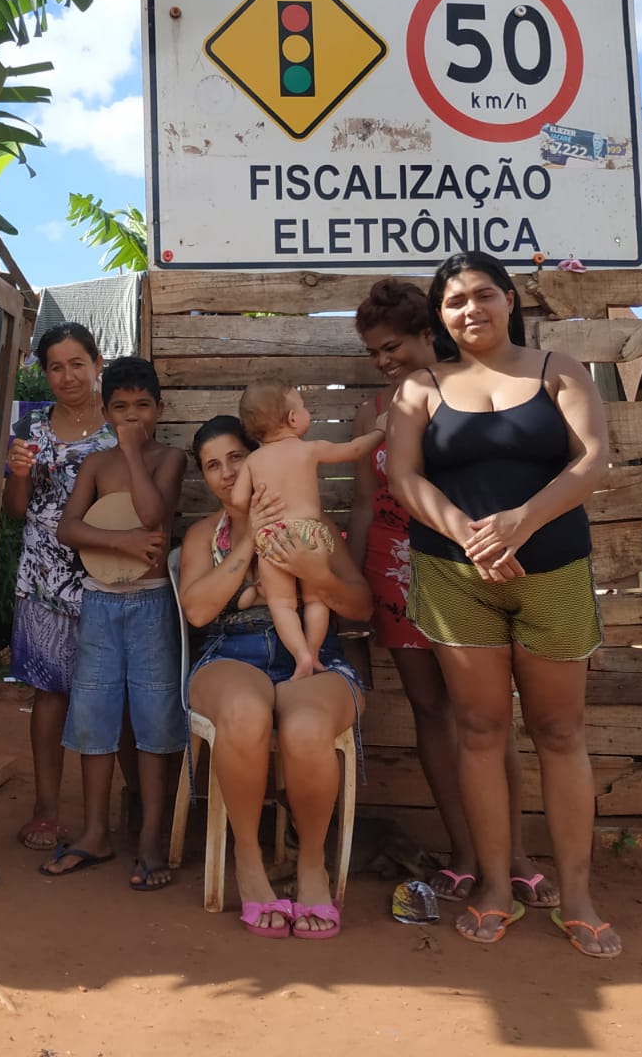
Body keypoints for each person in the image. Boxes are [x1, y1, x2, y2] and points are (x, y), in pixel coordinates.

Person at [386, 250, 620, 957]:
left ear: (511, 299)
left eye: (483, 295)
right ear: (442, 316)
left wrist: (521, 520)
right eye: (455, 302)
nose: (470, 310)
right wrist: (467, 533)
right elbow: (404, 477)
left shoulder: (559, 371)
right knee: (481, 729)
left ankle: (575, 893)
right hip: (456, 580)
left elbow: (592, 459)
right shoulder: (419, 389)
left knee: (559, 730)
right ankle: (494, 884)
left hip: (553, 572)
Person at [348, 278, 559, 910]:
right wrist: (360, 582)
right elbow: (364, 501)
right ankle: (465, 853)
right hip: (394, 570)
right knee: (431, 713)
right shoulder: (370, 415)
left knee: (488, 718)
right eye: (374, 353)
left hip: (467, 564)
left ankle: (515, 854)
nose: (385, 361)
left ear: (425, 334)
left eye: (393, 346)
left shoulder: (467, 395)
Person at [177, 416, 371, 938]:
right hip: (231, 653)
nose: (225, 473)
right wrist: (246, 546)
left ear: (257, 456)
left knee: (306, 727)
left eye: (235, 458)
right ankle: (249, 858)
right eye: (212, 466)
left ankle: (311, 863)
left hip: (315, 654)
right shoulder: (203, 535)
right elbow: (197, 612)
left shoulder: (315, 523)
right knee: (244, 711)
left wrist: (317, 573)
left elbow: (361, 606)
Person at [43, 357, 187, 890]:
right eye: (121, 408)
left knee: (154, 720)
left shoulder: (171, 458)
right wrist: (120, 542)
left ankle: (151, 836)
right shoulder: (94, 467)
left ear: (159, 409)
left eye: (143, 406)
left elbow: (154, 517)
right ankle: (95, 831)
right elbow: (68, 528)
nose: (132, 417)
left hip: (151, 606)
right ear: (105, 412)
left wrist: (131, 451)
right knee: (94, 718)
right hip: (99, 604)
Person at [2, 323, 116, 850]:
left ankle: (111, 814)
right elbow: (16, 511)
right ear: (44, 373)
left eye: (77, 363)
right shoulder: (29, 428)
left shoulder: (122, 424)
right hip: (44, 577)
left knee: (113, 695)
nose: (67, 376)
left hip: (110, 578)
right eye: (55, 366)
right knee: (49, 694)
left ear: (97, 363)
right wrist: (18, 473)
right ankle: (45, 809)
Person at [233, 378, 381, 676]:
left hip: (272, 538)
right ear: (292, 418)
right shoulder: (310, 449)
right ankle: (314, 654)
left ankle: (299, 656)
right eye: (304, 406)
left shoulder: (254, 460)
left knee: (282, 605)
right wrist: (380, 430)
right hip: (309, 534)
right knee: (315, 600)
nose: (306, 411)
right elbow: (353, 450)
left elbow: (238, 500)